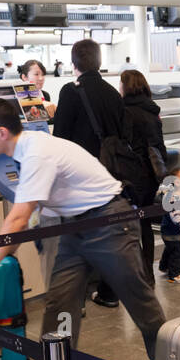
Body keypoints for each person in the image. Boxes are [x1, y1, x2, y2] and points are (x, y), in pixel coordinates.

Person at [0, 98, 168, 360]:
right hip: (73, 228)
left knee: (138, 299)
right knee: (59, 304)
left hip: (108, 223)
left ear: (0, 132)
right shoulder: (26, 151)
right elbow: (22, 221)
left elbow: (17, 219)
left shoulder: (37, 153)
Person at [53, 39, 136, 309]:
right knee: (107, 232)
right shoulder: (113, 93)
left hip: (79, 176)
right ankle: (109, 291)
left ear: (74, 62)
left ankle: (74, 296)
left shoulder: (70, 91)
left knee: (76, 235)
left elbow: (60, 137)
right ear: (98, 61)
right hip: (110, 172)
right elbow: (124, 133)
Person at [121, 68, 166, 278]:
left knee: (130, 224)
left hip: (133, 174)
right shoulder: (152, 110)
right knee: (145, 222)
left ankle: (136, 273)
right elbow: (160, 145)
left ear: (126, 87)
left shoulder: (125, 111)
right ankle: (148, 272)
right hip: (153, 174)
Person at [158, 154, 180, 284]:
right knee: (176, 252)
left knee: (169, 249)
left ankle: (164, 266)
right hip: (171, 231)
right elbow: (175, 217)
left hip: (167, 231)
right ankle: (175, 274)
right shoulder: (174, 198)